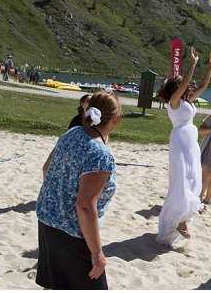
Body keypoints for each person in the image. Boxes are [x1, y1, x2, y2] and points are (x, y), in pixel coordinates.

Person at [35, 90, 122, 289]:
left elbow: (46, 169)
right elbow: (84, 205)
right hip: (73, 233)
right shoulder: (100, 155)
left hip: (48, 221)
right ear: (116, 119)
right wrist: (97, 252)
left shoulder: (72, 133)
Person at [156, 47, 211, 245]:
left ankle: (183, 219)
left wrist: (210, 66)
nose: (188, 88)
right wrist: (192, 63)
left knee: (193, 179)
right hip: (180, 142)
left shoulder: (187, 100)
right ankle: (180, 221)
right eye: (183, 85)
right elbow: (185, 83)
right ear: (176, 88)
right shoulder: (174, 102)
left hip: (191, 143)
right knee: (181, 181)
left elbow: (205, 85)